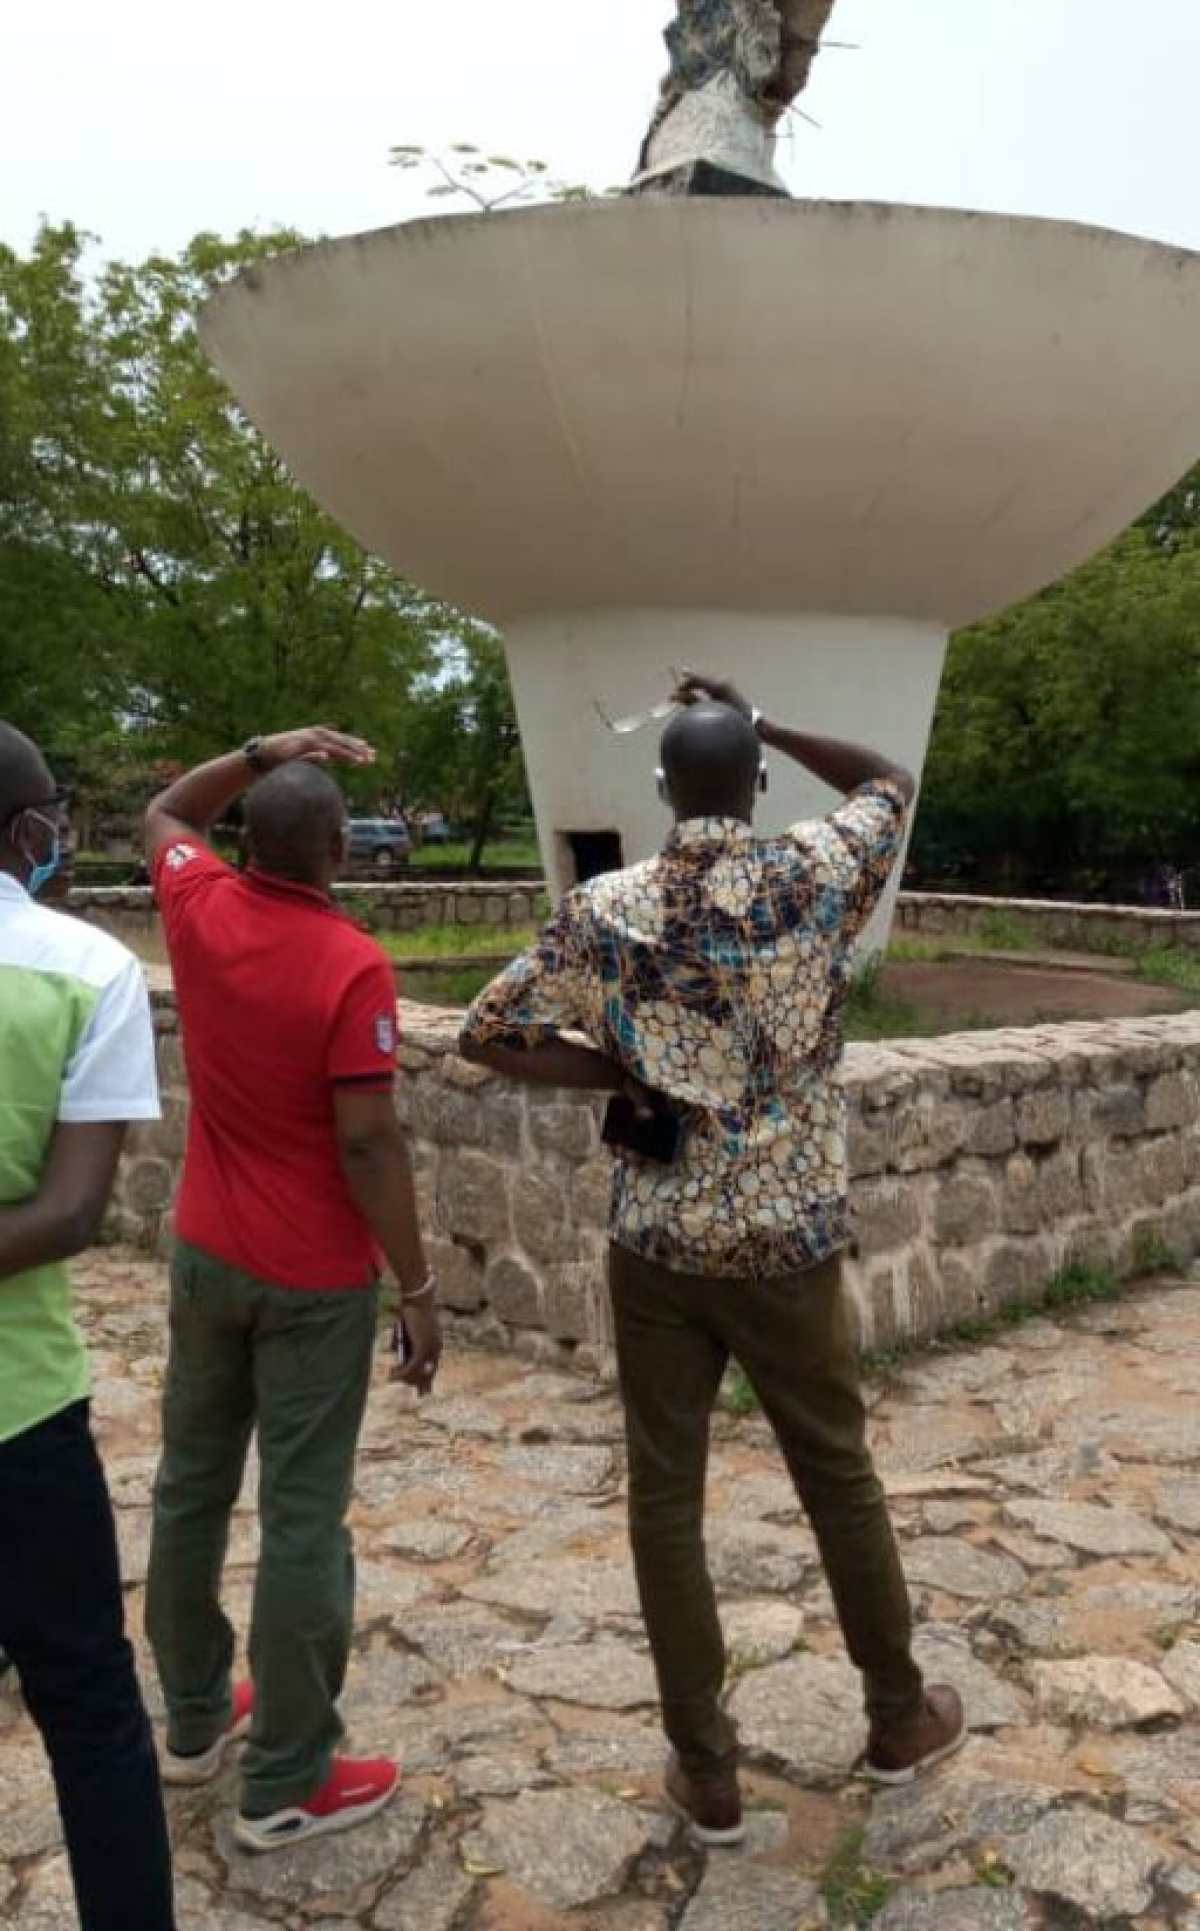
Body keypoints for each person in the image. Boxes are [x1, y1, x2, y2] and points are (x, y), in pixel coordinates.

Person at [461, 672, 964, 1843]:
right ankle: (898, 1717)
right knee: (837, 1477)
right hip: (789, 1248)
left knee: (666, 1498)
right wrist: (766, 717)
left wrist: (619, 1070)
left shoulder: (605, 909)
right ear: (757, 781)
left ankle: (707, 1768)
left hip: (659, 1246)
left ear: (661, 788)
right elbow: (888, 782)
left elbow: (490, 1032)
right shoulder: (817, 874)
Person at [142, 728, 442, 1853]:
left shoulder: (199, 906)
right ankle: (287, 1777)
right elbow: (367, 1140)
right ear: (337, 850)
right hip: (313, 1280)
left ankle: (191, 1719)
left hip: (205, 1254)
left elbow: (168, 814)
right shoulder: (351, 963)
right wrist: (417, 1285)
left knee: (189, 1487)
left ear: (250, 840)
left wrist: (260, 751)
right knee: (303, 1517)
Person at [0, 721, 175, 1931]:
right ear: (28, 829)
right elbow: (70, 1212)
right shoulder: (85, 969)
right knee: (89, 1702)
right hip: (21, 1411)